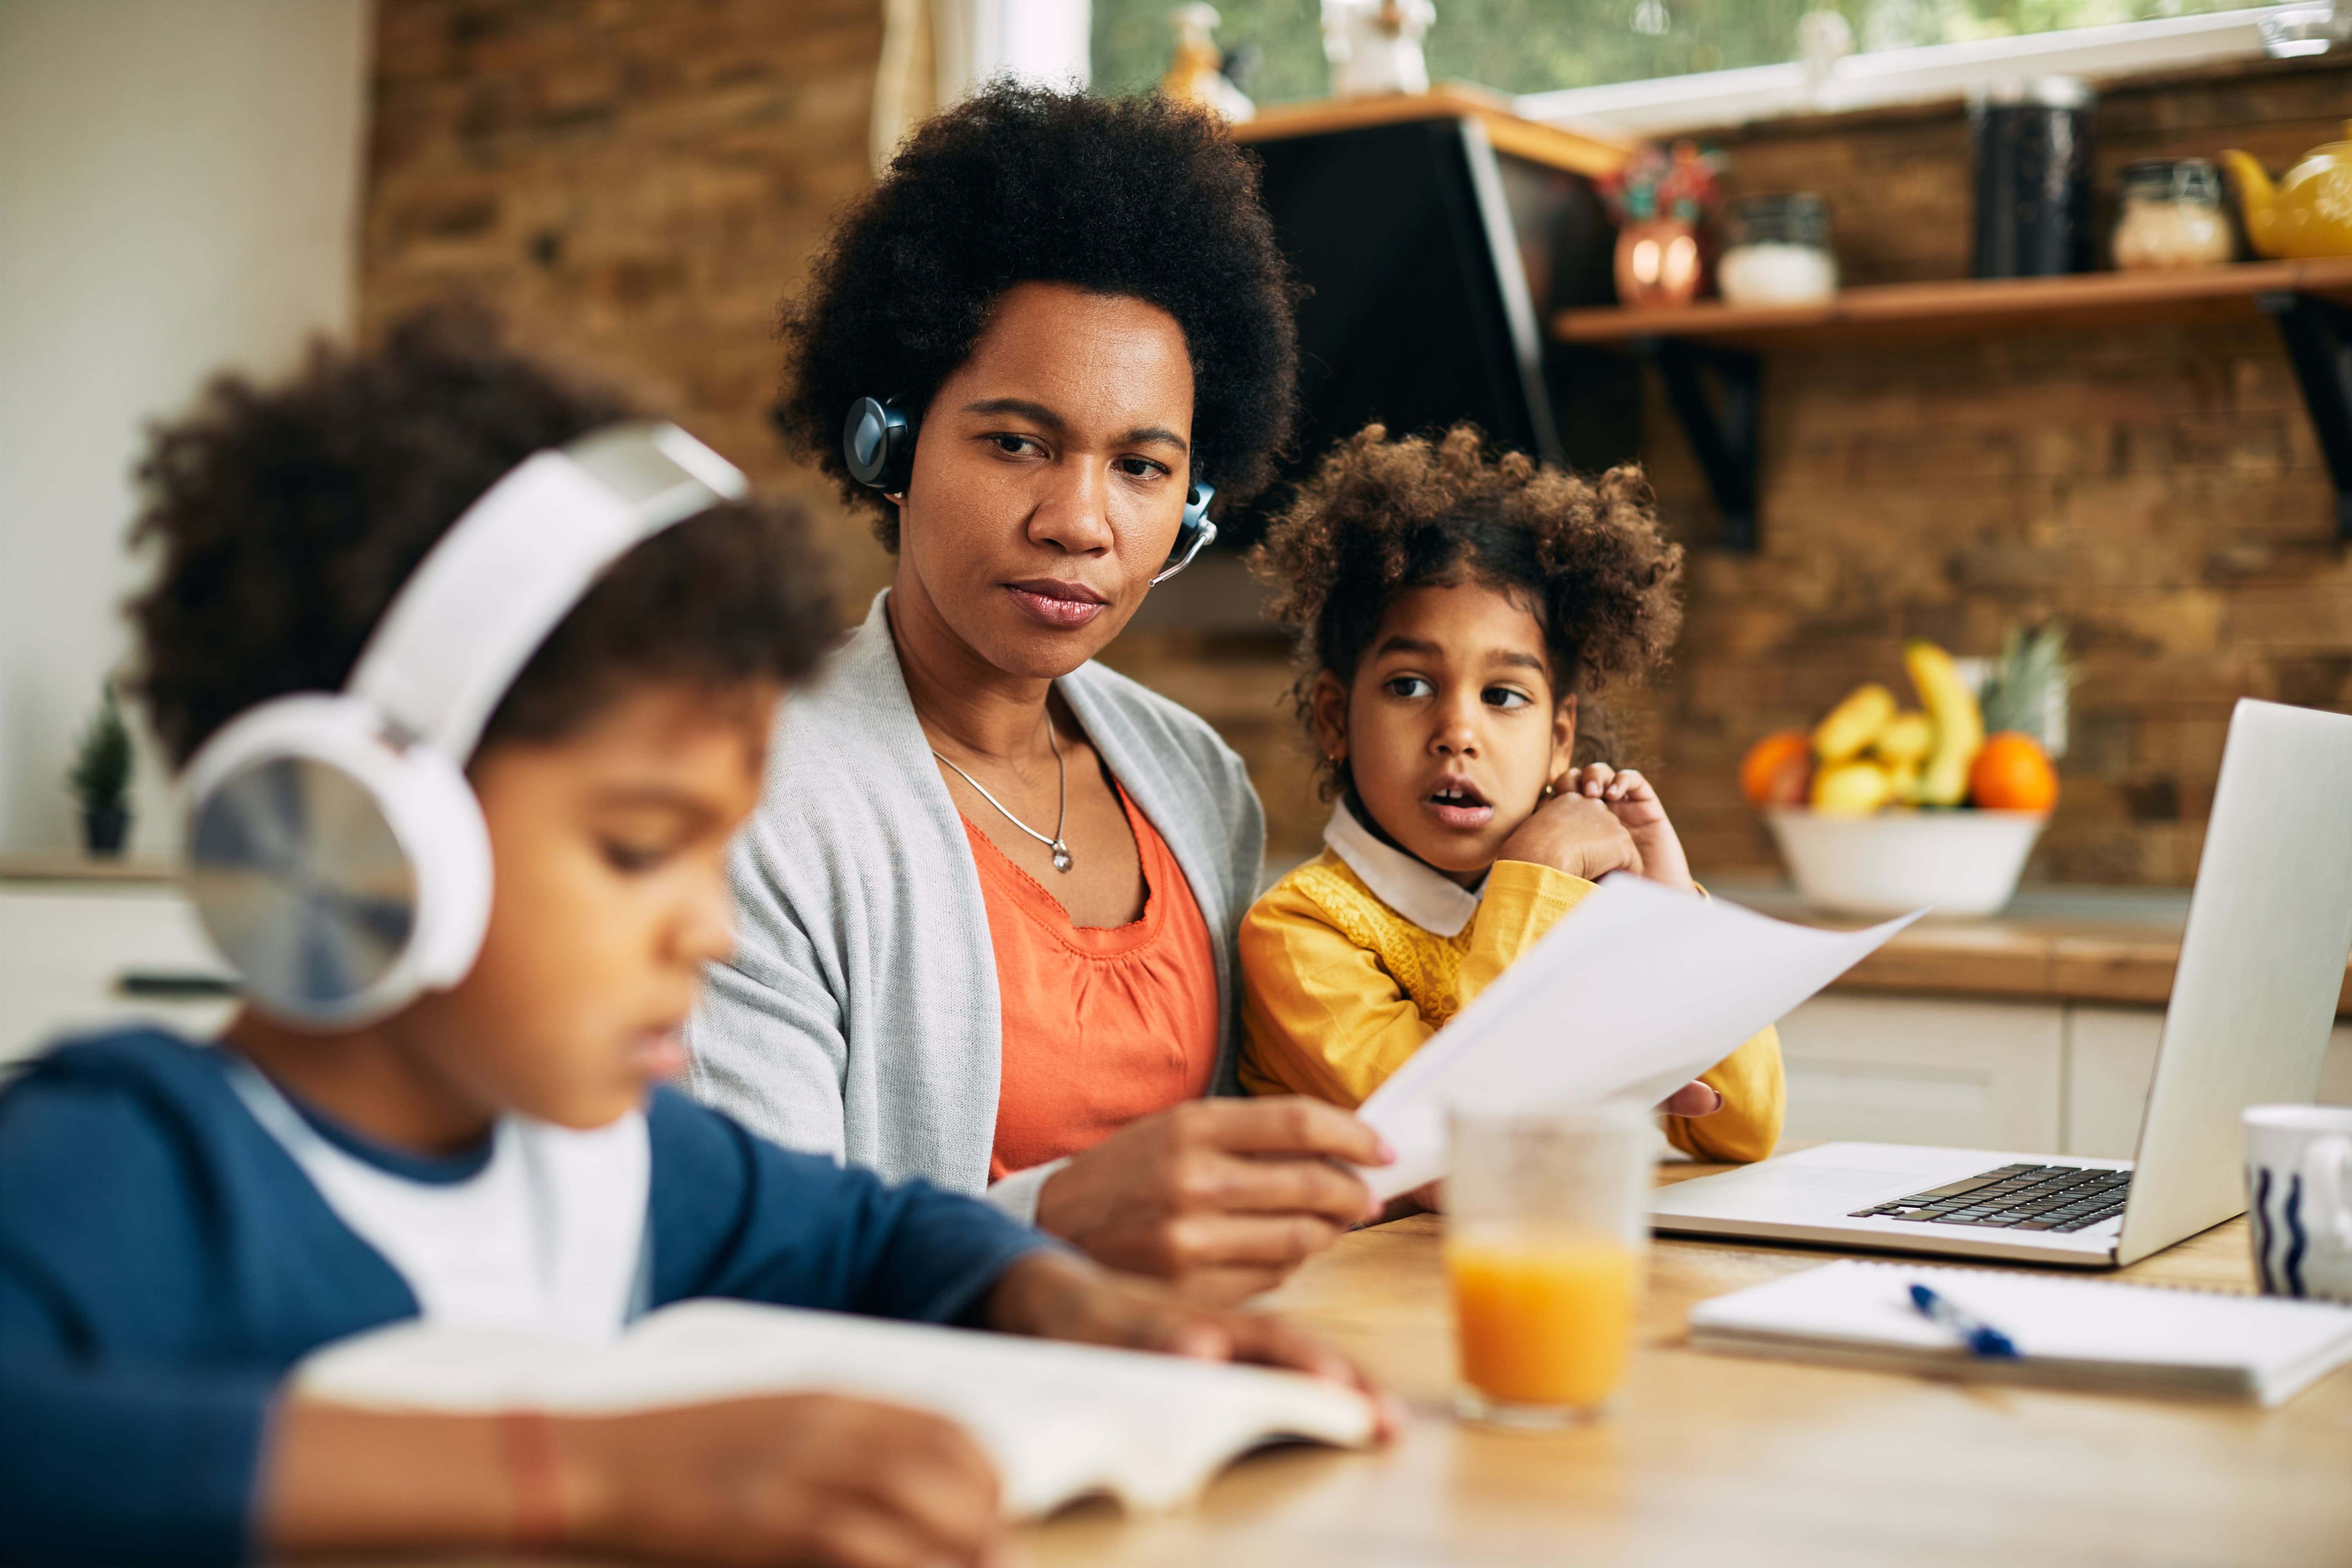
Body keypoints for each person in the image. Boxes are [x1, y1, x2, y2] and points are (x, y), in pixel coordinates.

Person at [0, 318, 1374, 1568]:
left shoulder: (616, 1163)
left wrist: (1078, 1313)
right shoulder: (128, 1163)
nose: (709, 926)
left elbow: (881, 1235)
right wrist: (575, 1473)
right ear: (370, 824)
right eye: (636, 849)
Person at [691, 85, 1391, 1305]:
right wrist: (1057, 1227)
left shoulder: (1193, 782)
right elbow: (756, 1262)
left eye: (1141, 468)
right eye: (1016, 441)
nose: (1080, 522)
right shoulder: (755, 791)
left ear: (1195, 509)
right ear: (890, 444)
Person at [1236, 423, 1784, 1163]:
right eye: (1410, 686)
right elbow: (1452, 1135)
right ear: (1338, 717)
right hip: (1361, 1274)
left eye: (1504, 695)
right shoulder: (1298, 934)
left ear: (1561, 738)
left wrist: (1669, 912)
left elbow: (1746, 1130)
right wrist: (1534, 879)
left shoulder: (1586, 911)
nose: (1458, 731)